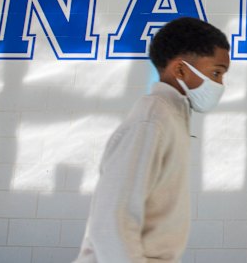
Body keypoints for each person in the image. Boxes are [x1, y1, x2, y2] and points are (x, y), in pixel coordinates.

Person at [74, 17, 230, 262]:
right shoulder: (151, 122)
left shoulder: (171, 117)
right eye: (216, 73)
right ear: (180, 70)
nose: (220, 84)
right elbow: (111, 223)